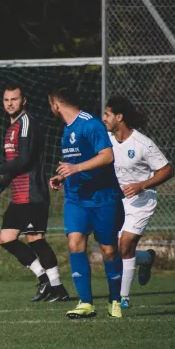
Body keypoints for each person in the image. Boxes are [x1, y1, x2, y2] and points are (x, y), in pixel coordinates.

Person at [0, 85, 69, 303]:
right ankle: (45, 280)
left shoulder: (26, 124)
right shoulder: (11, 127)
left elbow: (24, 160)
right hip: (19, 195)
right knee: (6, 240)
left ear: (23, 100)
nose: (9, 104)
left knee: (36, 240)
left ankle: (58, 288)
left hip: (32, 193)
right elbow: (14, 166)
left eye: (14, 99)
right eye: (6, 100)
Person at [48, 86, 124, 319]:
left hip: (102, 198)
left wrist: (76, 168)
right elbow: (76, 162)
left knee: (109, 251)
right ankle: (86, 303)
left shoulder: (90, 123)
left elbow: (107, 156)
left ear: (56, 105)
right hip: (76, 198)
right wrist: (63, 175)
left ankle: (115, 300)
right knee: (75, 243)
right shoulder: (67, 129)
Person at [103, 95, 174, 309]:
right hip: (118, 200)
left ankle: (122, 299)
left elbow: (168, 169)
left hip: (142, 200)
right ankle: (145, 258)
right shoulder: (106, 140)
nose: (104, 118)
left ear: (119, 116)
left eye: (107, 114)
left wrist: (141, 185)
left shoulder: (142, 143)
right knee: (117, 248)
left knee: (125, 244)